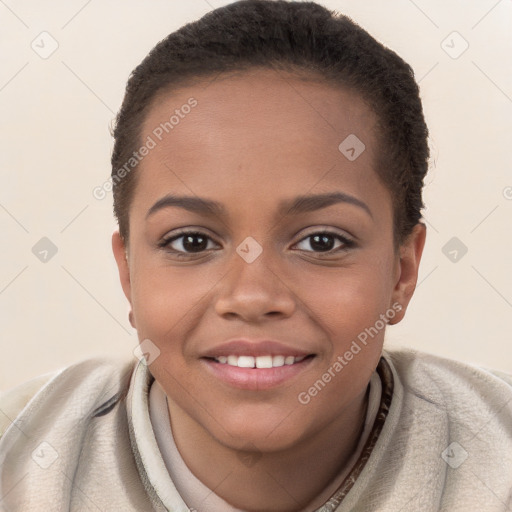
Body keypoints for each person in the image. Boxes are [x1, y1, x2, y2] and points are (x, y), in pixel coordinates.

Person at [1, 1, 511, 510]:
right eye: (192, 242)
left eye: (321, 242)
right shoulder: (19, 461)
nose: (251, 296)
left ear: (402, 273)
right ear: (129, 272)